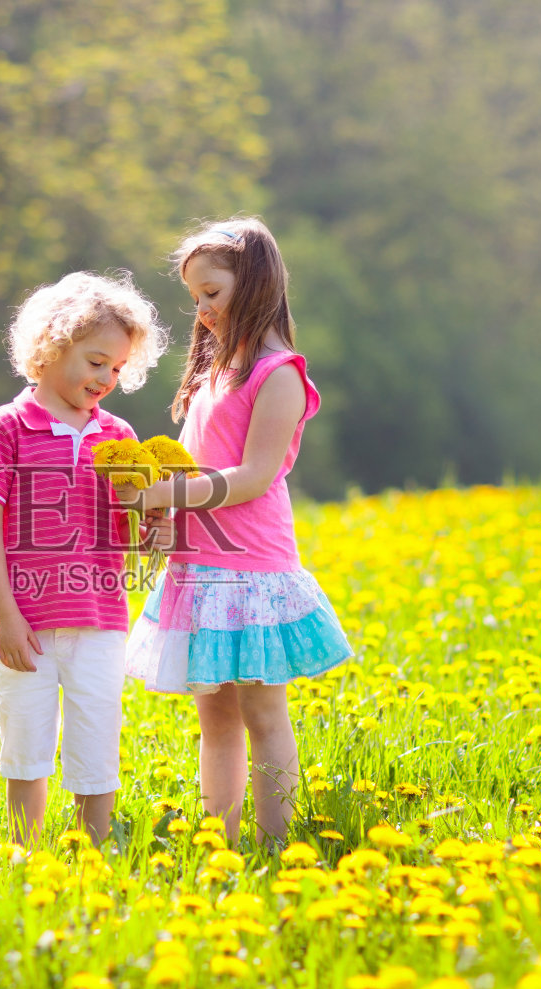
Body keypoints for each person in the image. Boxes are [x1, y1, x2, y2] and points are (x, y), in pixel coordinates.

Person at [121, 218, 351, 847]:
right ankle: (218, 841)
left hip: (251, 567)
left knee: (261, 712)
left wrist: (166, 493)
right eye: (195, 297)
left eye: (213, 294)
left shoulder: (278, 374)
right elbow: (196, 471)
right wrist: (164, 513)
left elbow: (251, 477)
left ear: (254, 284)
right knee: (214, 716)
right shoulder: (214, 374)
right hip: (199, 567)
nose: (202, 311)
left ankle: (276, 845)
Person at [0, 271, 169, 847]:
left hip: (101, 618)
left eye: (118, 369)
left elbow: (133, 524)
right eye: (97, 361)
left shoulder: (119, 435)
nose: (107, 378)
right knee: (26, 744)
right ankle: (26, 856)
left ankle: (92, 854)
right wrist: (6, 614)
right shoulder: (7, 426)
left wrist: (155, 524)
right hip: (25, 621)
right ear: (52, 347)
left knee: (96, 739)